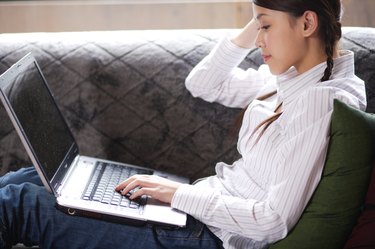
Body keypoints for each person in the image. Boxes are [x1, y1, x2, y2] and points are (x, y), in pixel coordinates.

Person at [0, 0, 366, 248]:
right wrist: (261, 18)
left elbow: (272, 220)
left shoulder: (320, 101)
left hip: (208, 236)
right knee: (27, 179)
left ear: (307, 22)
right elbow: (203, 82)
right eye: (258, 25)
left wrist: (174, 194)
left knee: (18, 203)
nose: (258, 41)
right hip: (199, 211)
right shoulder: (292, 80)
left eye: (266, 26)